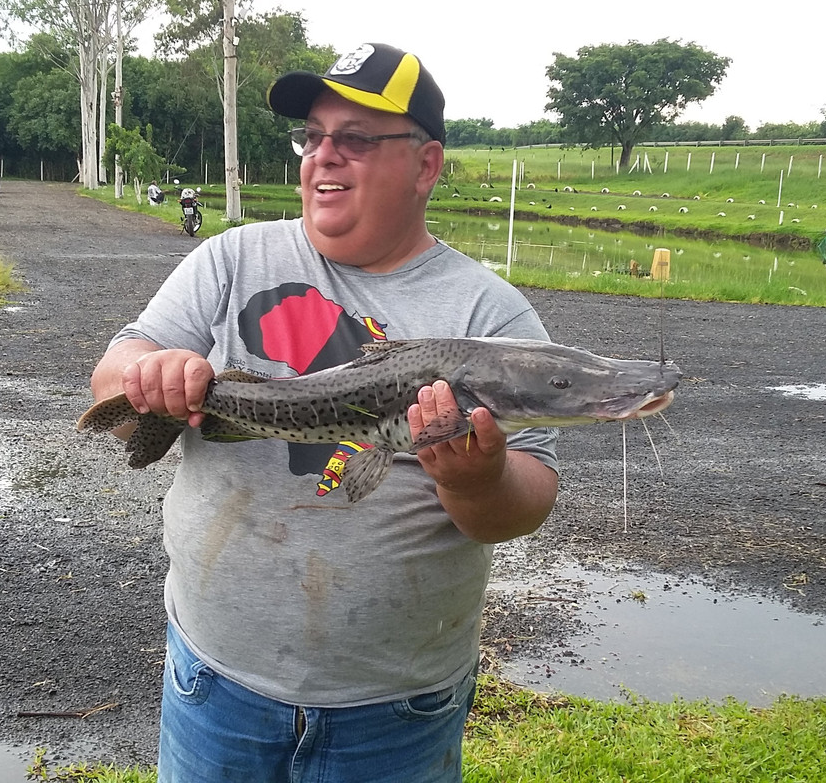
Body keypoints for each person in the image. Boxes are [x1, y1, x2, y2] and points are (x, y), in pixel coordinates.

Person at [88, 42, 559, 783]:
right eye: (313, 136)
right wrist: (149, 378)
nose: (323, 156)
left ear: (426, 166)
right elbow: (113, 387)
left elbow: (528, 498)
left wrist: (476, 483)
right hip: (215, 684)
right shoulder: (229, 258)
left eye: (357, 139)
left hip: (397, 709)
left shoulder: (488, 314)